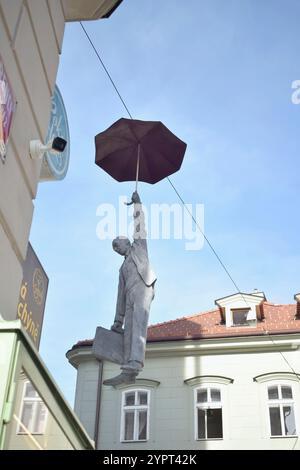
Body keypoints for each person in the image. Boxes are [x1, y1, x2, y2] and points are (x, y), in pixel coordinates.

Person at [103, 191, 156, 386]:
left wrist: (137, 205)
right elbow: (120, 296)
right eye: (115, 248)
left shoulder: (139, 248)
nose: (117, 248)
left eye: (118, 244)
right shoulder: (122, 268)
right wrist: (118, 320)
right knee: (128, 329)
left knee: (138, 325)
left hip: (142, 287)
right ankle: (127, 366)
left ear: (126, 241)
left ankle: (135, 362)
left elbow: (140, 227)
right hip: (129, 295)